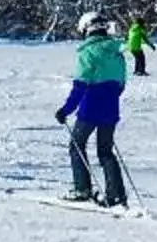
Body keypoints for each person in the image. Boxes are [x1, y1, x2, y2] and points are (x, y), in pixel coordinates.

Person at [54, 11, 130, 206]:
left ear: (87, 29)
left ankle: (82, 188)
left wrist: (65, 110)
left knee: (76, 145)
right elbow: (121, 84)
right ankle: (116, 194)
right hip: (111, 108)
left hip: (90, 109)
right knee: (105, 151)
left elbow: (80, 86)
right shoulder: (117, 52)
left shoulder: (86, 53)